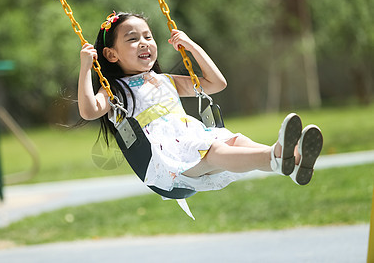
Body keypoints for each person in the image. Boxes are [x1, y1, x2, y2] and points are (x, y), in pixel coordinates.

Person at [77, 11, 323, 216]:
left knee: (235, 140)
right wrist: (86, 68)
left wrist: (191, 46)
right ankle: (278, 155)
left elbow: (216, 83)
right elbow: (89, 111)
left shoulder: (166, 81)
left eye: (148, 36)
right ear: (111, 54)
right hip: (167, 160)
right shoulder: (115, 91)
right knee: (215, 151)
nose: (144, 42)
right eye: (132, 39)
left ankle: (291, 159)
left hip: (191, 139)